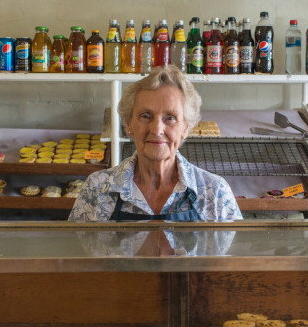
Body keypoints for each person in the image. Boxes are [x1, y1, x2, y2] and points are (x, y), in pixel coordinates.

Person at [69, 65, 241, 222]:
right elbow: (78, 253)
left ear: (185, 129)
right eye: (145, 116)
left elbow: (231, 255)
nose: (157, 129)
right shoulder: (97, 189)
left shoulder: (215, 192)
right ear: (128, 124)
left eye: (170, 118)